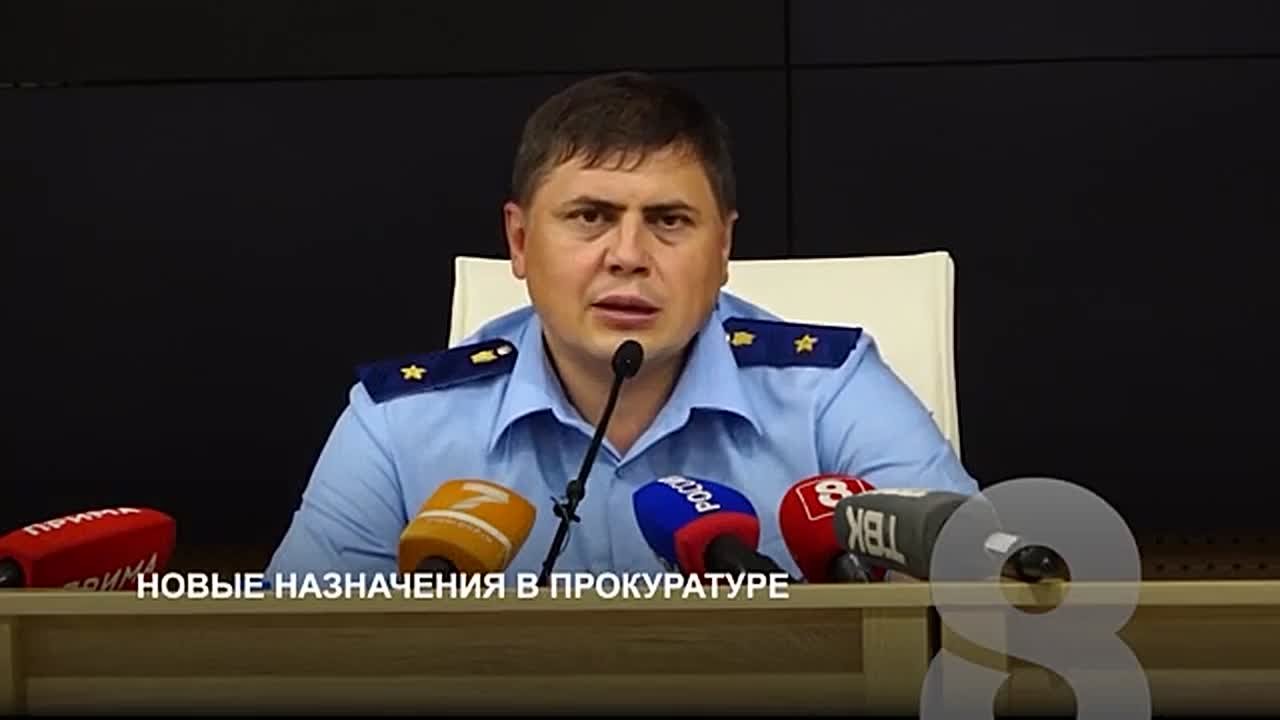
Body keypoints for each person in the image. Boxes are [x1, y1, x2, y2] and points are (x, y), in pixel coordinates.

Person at [265, 71, 978, 581]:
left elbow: (980, 602)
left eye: (669, 221)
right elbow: (294, 654)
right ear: (520, 242)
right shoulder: (398, 424)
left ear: (723, 249)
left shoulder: (831, 392)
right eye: (590, 217)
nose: (629, 256)